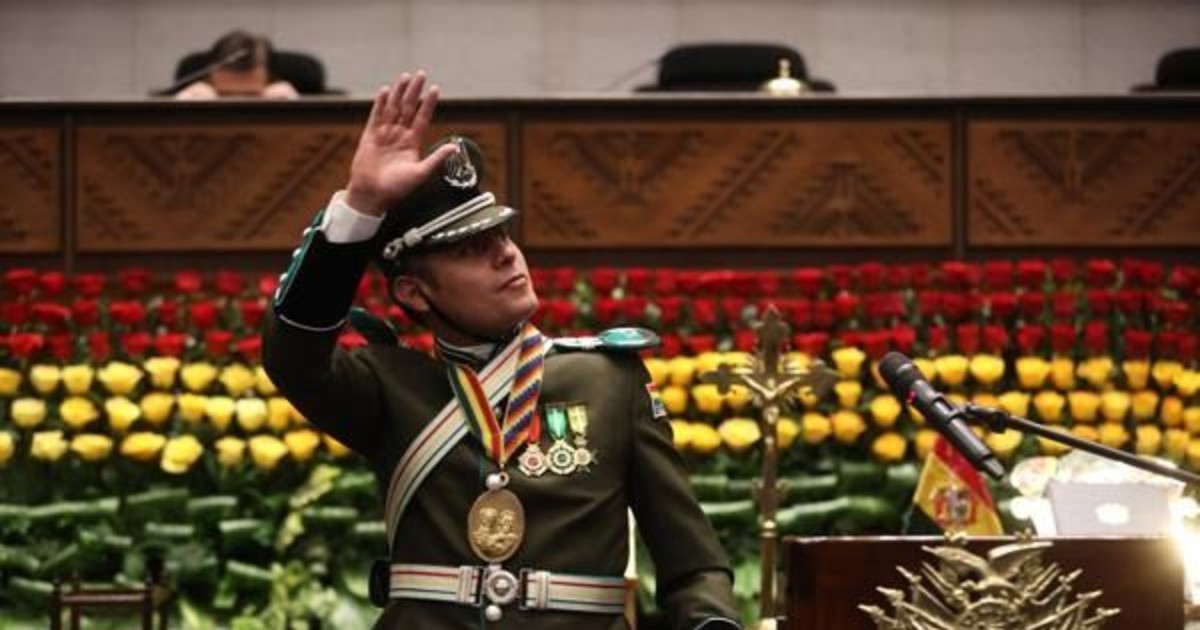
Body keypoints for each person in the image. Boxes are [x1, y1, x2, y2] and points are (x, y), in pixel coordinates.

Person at [262, 71, 741, 629]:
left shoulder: (609, 381)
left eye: (504, 236)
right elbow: (292, 354)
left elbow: (693, 563)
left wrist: (711, 621)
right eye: (472, 249)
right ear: (414, 291)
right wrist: (360, 207)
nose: (507, 256)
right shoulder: (388, 388)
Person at [174, 30, 298, 100]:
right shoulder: (195, 96)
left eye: (252, 95)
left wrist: (297, 113)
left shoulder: (283, 96)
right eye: (224, 95)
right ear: (208, 80)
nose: (238, 102)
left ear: (272, 82)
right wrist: (178, 113)